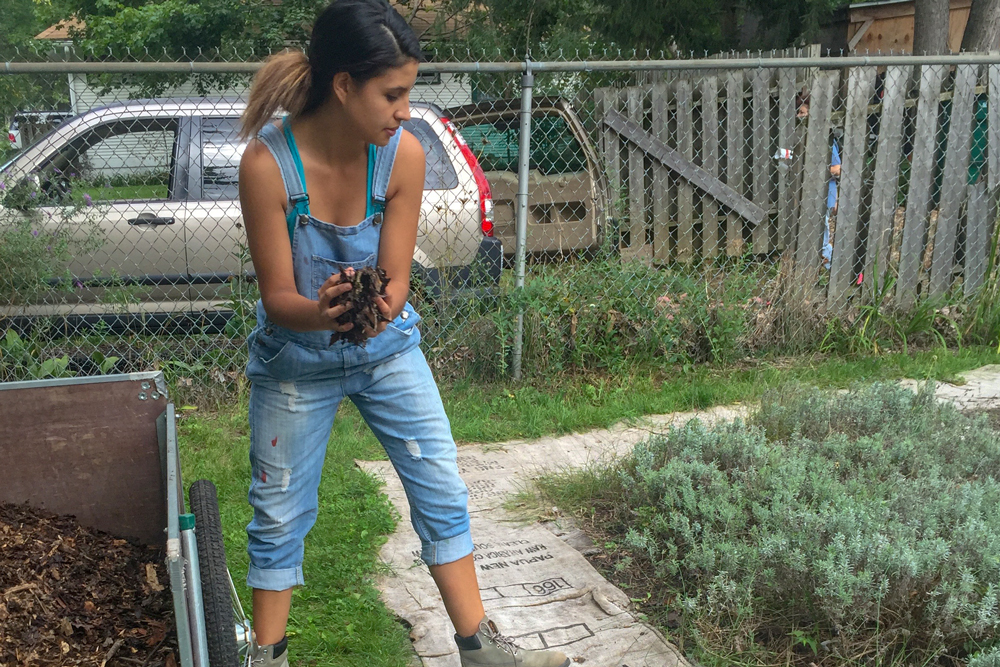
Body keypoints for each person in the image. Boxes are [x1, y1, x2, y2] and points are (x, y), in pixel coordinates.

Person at [236, 2, 570, 666]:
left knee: (442, 487)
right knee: (277, 514)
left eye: (408, 92)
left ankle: (482, 650)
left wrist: (379, 304)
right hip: (296, 361)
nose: (404, 109)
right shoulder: (267, 166)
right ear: (343, 86)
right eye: (392, 93)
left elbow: (395, 281)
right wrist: (321, 310)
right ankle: (265, 657)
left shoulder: (404, 156)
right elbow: (278, 301)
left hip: (387, 353)